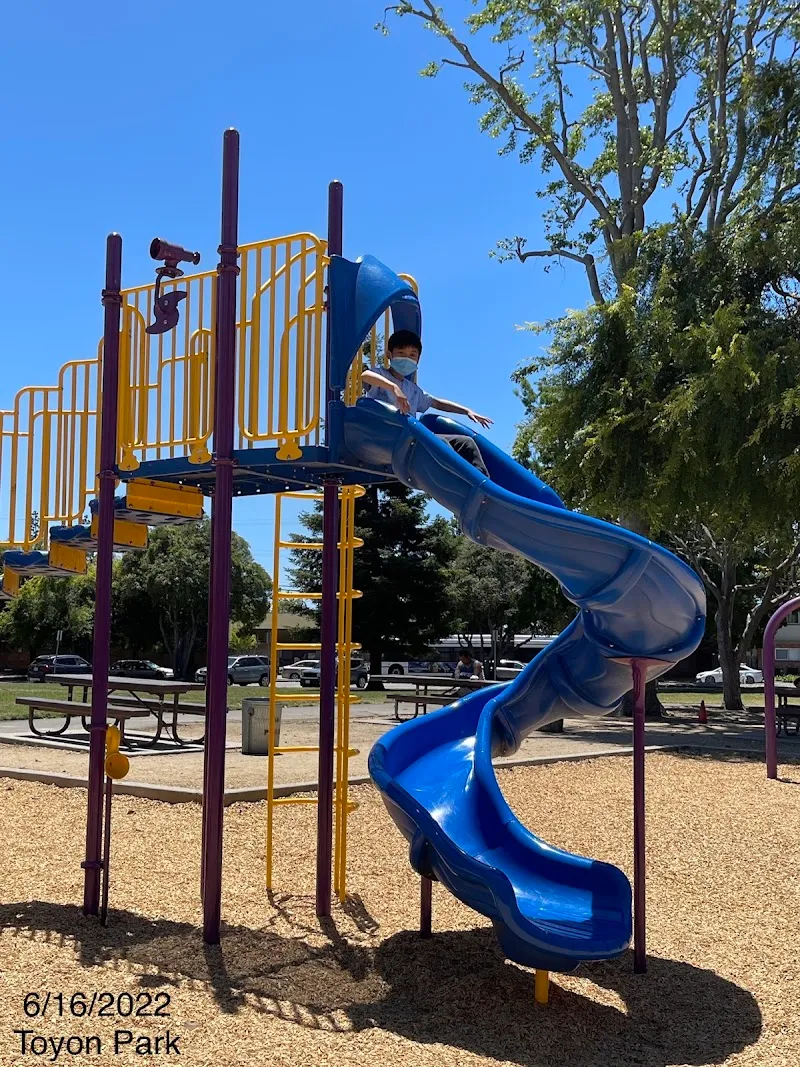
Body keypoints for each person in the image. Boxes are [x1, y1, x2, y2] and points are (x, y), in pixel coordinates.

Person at [361, 330, 493, 476]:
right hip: (386, 435)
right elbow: (365, 376)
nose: (407, 358)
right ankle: (455, 478)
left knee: (466, 443)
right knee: (441, 445)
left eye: (412, 355)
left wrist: (467, 411)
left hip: (410, 438)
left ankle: (483, 484)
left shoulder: (413, 390)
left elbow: (438, 403)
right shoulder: (381, 375)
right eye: (401, 353)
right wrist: (393, 387)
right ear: (389, 355)